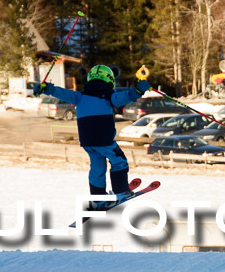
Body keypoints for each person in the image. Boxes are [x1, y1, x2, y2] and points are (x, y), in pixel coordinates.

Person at [35, 65, 151, 209]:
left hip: (87, 141)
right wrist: (138, 90)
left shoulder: (80, 97)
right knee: (119, 161)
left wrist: (46, 88)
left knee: (97, 167)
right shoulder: (107, 96)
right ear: (109, 80)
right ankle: (121, 191)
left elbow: (62, 93)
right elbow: (125, 97)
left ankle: (98, 199)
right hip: (104, 140)